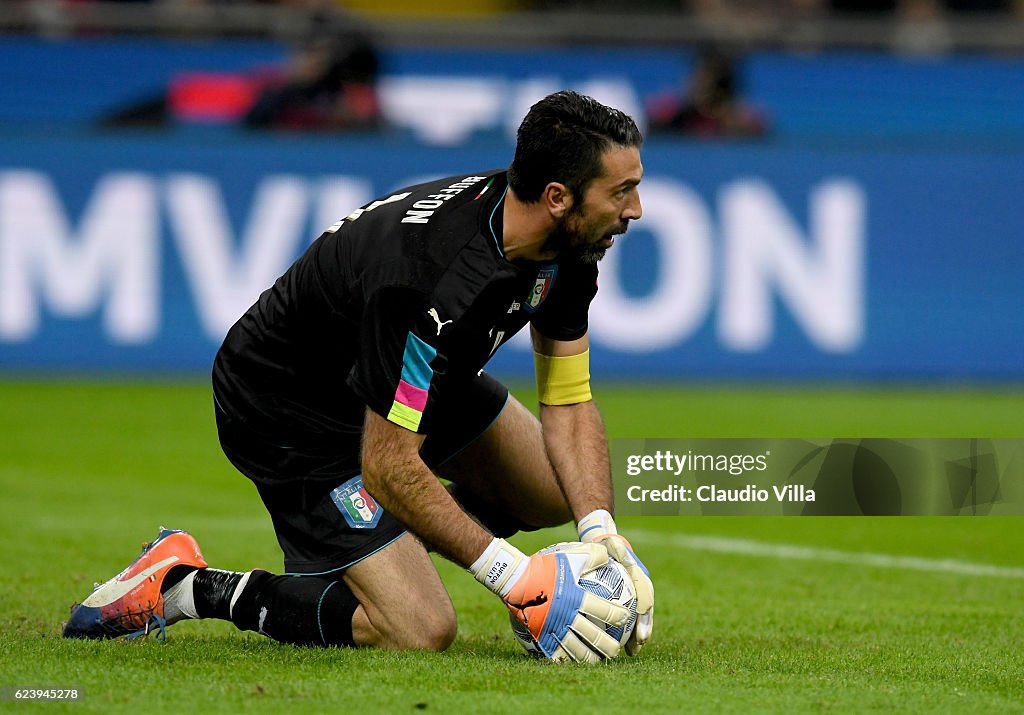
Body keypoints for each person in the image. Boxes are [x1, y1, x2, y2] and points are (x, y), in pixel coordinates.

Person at [63, 90, 654, 663]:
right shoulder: (429, 280)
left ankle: (385, 542)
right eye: (622, 191)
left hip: (402, 376)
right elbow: (390, 464)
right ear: (557, 196)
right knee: (417, 627)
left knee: (552, 487)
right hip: (287, 408)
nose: (636, 210)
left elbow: (570, 401)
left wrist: (599, 533)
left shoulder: (568, 244)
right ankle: (185, 586)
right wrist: (515, 575)